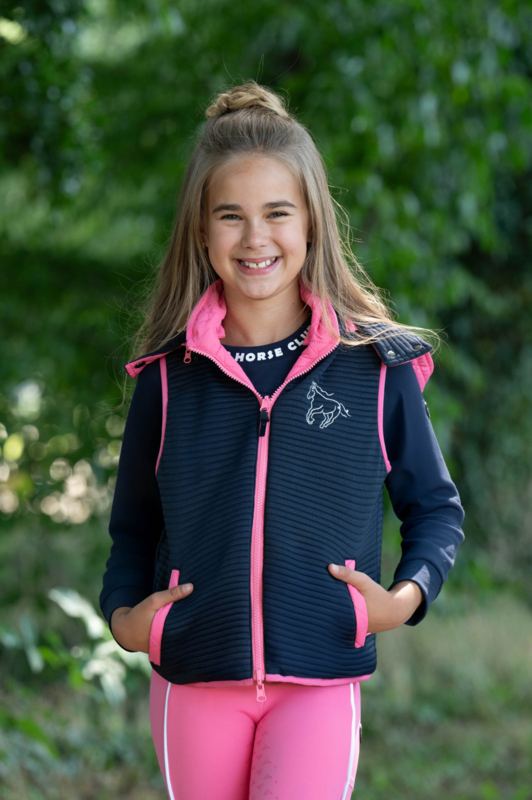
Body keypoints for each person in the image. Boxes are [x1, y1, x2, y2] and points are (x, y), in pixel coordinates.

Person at [99, 81, 465, 800]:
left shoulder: (375, 369)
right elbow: (132, 531)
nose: (255, 238)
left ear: (312, 225)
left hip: (321, 680)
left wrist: (404, 599)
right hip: (195, 680)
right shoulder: (168, 379)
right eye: (230, 216)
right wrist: (125, 620)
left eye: (277, 213)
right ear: (201, 233)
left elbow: (436, 509)